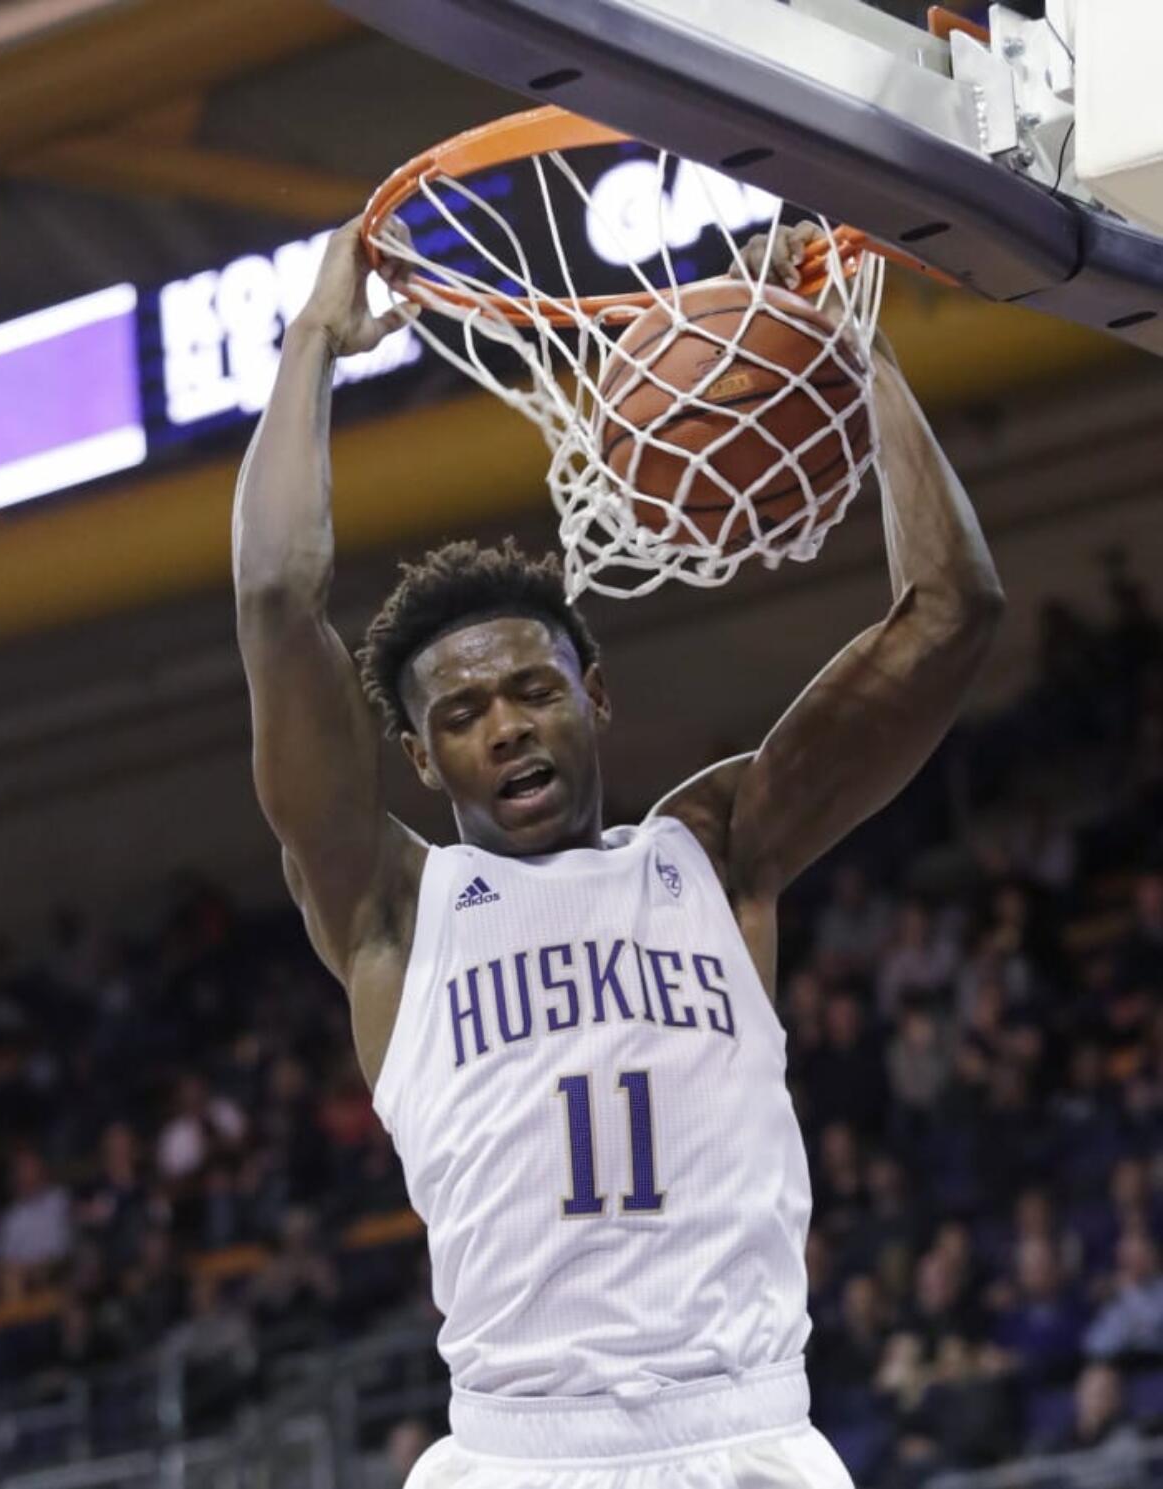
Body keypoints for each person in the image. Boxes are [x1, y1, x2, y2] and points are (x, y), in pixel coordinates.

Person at [233, 216, 1003, 1489]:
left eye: (532, 690)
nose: (504, 729)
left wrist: (855, 346)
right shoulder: (396, 909)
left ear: (596, 696)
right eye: (461, 716)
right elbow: (274, 602)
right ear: (421, 762)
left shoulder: (716, 853)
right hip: (518, 1455)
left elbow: (950, 614)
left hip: (746, 1437)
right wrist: (313, 338)